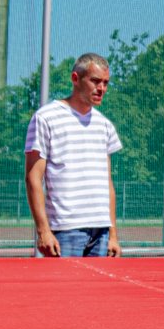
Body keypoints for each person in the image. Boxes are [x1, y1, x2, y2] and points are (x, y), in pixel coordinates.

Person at [25, 52, 124, 257]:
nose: (101, 88)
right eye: (95, 81)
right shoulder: (46, 117)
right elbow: (33, 178)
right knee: (63, 289)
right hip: (65, 230)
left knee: (97, 290)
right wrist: (43, 231)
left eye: (106, 83)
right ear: (75, 79)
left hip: (101, 231)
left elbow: (108, 183)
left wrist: (113, 234)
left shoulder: (104, 125)